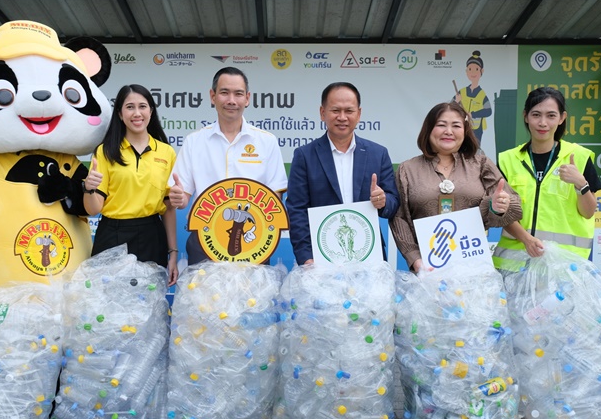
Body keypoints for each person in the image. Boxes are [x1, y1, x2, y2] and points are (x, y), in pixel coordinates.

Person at [168, 67, 288, 264]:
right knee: (203, 296)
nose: (231, 100)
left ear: (247, 98)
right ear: (213, 96)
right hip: (204, 240)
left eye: (238, 94)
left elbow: (275, 196)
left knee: (250, 296)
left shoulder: (267, 141)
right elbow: (183, 199)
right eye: (224, 93)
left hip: (253, 242)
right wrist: (178, 197)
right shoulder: (194, 141)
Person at [392, 101, 521, 273]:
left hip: (474, 268)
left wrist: (499, 207)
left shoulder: (481, 164)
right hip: (428, 270)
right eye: (441, 125)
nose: (449, 131)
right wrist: (415, 259)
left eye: (456, 126)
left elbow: (513, 207)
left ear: (465, 131)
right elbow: (399, 218)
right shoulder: (407, 169)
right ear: (429, 129)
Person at [286, 82, 400, 265]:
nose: (342, 117)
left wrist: (383, 201)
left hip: (369, 255)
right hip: (321, 258)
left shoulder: (378, 154)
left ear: (359, 114)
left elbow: (394, 202)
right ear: (322, 113)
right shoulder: (304, 156)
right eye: (335, 110)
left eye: (349, 111)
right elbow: (297, 210)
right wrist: (306, 257)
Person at [493, 87, 601, 271]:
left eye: (551, 115)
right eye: (536, 114)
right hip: (514, 266)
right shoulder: (507, 160)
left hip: (563, 268)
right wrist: (526, 239)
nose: (543, 123)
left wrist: (580, 184)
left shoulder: (580, 158)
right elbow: (502, 214)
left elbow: (588, 212)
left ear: (561, 118)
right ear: (526, 116)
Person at [83, 84, 179, 285]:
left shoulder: (166, 152)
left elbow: (168, 208)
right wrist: (89, 187)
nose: (137, 113)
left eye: (142, 106)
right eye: (130, 107)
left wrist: (173, 252)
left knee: (150, 305)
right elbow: (93, 208)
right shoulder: (105, 151)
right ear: (119, 113)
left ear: (151, 111)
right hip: (112, 235)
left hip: (152, 234)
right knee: (109, 305)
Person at [453, 50, 492, 142]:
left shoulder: (482, 95)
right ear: (466, 71)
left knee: (475, 151)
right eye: (470, 69)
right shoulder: (461, 92)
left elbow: (488, 111)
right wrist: (456, 101)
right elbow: (449, 108)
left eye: (476, 69)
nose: (473, 72)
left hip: (476, 129)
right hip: (461, 127)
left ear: (481, 71)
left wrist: (473, 114)